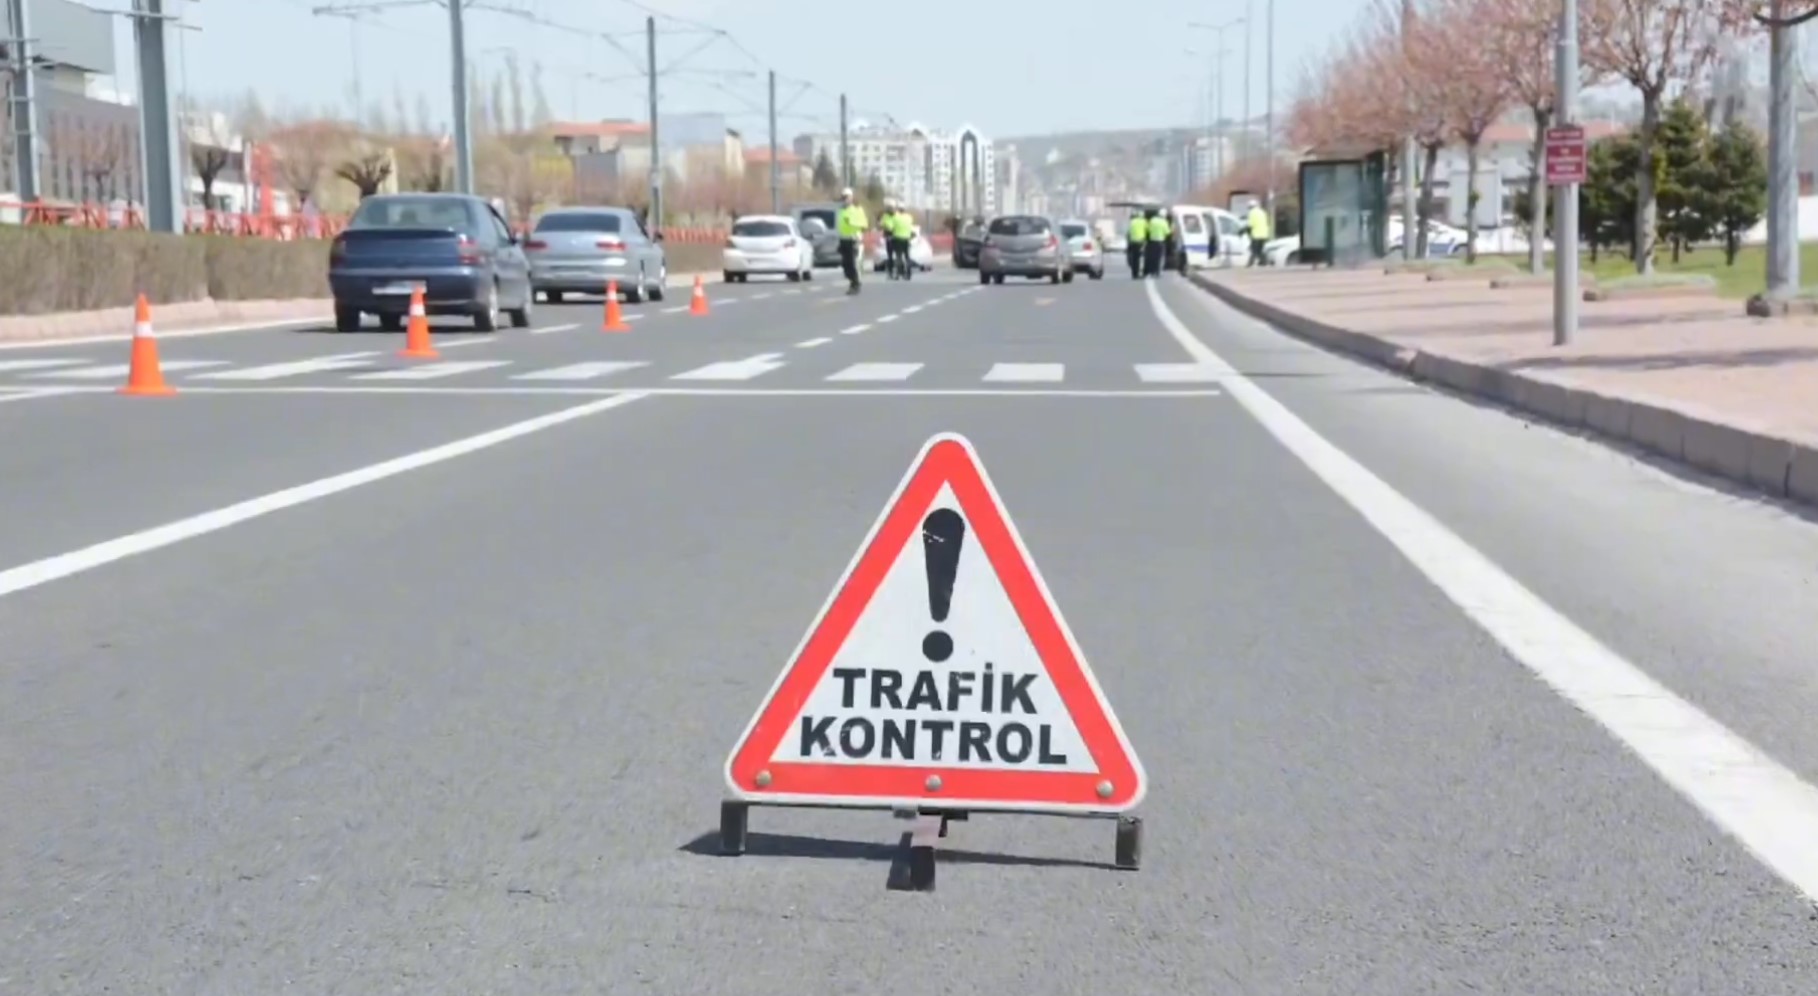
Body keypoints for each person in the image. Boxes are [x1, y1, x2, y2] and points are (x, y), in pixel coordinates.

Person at [836, 188, 869, 294]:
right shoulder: (841, 211)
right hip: (843, 239)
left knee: (852, 263)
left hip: (853, 239)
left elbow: (864, 225)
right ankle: (852, 281)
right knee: (845, 265)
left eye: (846, 197)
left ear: (851, 198)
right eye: (843, 198)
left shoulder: (857, 210)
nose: (844, 200)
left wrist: (851, 222)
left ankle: (855, 284)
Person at [1143, 207, 1170, 278]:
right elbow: (1167, 232)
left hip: (1152, 242)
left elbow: (1148, 230)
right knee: (1159, 257)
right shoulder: (1164, 222)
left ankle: (1152, 271)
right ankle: (1157, 272)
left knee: (1153, 257)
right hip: (1160, 242)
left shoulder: (1152, 220)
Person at [1245, 201, 1272, 267]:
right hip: (1264, 234)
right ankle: (1264, 262)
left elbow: (1250, 225)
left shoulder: (1252, 213)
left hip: (1256, 234)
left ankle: (1250, 264)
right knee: (1260, 250)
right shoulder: (1262, 212)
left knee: (1254, 250)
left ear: (1250, 207)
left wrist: (1247, 232)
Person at [1125, 210, 1147, 279]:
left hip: (1132, 242)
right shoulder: (1144, 222)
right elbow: (1148, 230)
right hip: (1140, 242)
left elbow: (1128, 232)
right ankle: (1139, 273)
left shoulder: (1132, 222)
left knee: (1134, 258)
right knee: (1140, 258)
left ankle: (1134, 273)